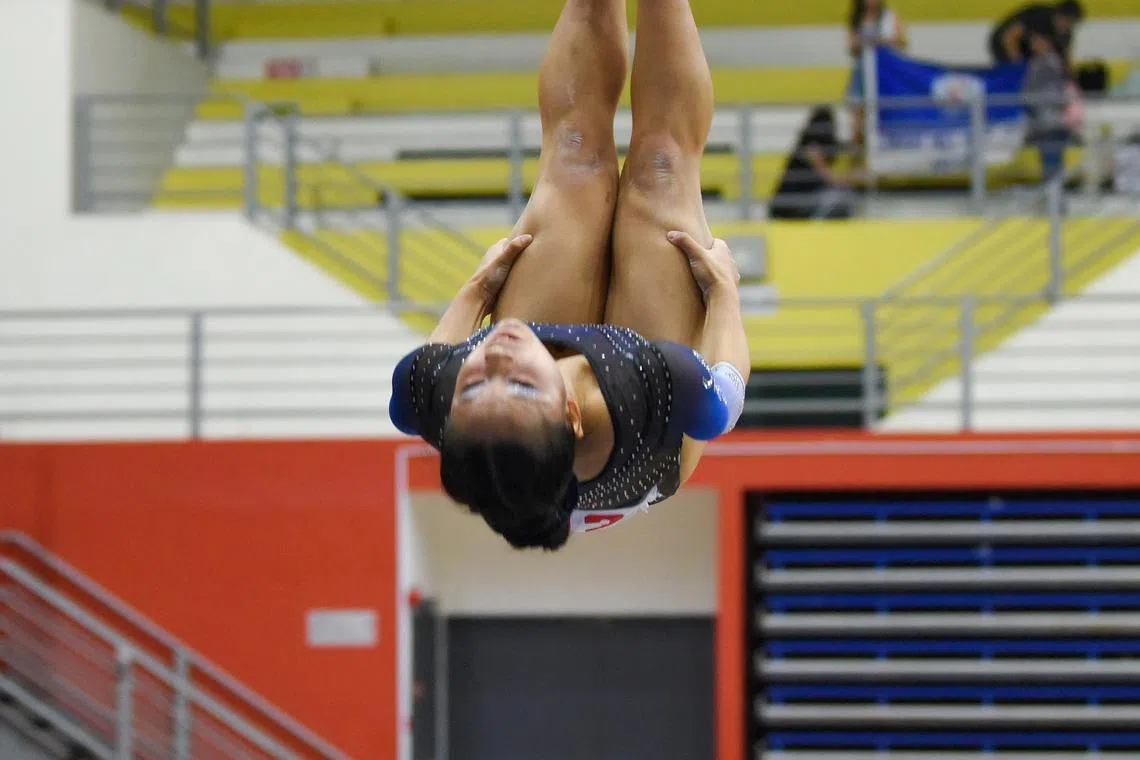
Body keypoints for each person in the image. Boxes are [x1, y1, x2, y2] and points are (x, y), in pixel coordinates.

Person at [389, 0, 750, 550]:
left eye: (474, 380)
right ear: (572, 412)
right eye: (519, 382)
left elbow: (433, 381)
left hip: (540, 418)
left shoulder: (436, 398)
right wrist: (725, 295)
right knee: (662, 166)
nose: (496, 357)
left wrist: (477, 289)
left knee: (576, 155)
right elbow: (726, 398)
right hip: (644, 440)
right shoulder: (657, 394)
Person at [769, 106, 860, 220]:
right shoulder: (811, 148)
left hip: (807, 197)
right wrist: (851, 178)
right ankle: (817, 225)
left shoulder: (826, 146)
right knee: (838, 196)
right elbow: (829, 178)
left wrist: (857, 124)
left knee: (843, 195)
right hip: (791, 201)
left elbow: (852, 148)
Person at [845, 0, 907, 147]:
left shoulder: (889, 17)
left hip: (885, 70)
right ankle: (858, 147)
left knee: (881, 112)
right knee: (857, 111)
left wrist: (880, 41)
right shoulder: (857, 19)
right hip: (863, 69)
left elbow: (901, 42)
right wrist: (862, 43)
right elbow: (851, 46)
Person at [989, 0, 1085, 66]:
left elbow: (1065, 61)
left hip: (1026, 52)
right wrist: (1019, 67)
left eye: (1072, 24)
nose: (1067, 27)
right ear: (1058, 15)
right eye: (1066, 22)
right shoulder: (1038, 17)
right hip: (1002, 44)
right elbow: (1008, 38)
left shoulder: (1066, 32)